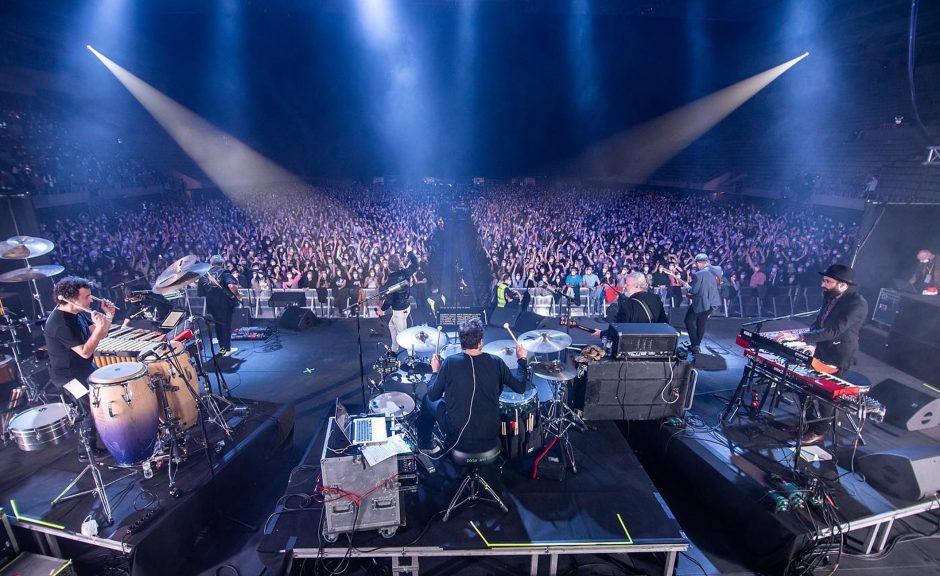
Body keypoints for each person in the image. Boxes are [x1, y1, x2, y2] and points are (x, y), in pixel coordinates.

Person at [781, 264, 868, 445]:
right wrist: (803, 338)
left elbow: (834, 331)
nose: (823, 284)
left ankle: (819, 430)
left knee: (824, 395)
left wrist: (802, 336)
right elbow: (820, 322)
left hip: (838, 354)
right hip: (822, 349)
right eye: (823, 280)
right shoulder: (831, 296)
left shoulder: (857, 304)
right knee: (805, 387)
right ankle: (807, 423)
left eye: (828, 281)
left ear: (843, 285)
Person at [417, 318, 528, 453]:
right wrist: (522, 360)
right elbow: (520, 387)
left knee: (428, 400)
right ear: (481, 342)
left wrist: (435, 371)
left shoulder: (450, 362)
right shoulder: (496, 362)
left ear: (461, 342)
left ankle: (426, 444)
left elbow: (434, 395)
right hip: (491, 433)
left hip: (457, 434)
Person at [45, 276, 117, 459]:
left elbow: (99, 332)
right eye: (86, 296)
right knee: (88, 409)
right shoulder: (60, 324)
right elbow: (85, 351)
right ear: (69, 298)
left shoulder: (76, 313)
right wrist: (100, 330)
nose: (91, 300)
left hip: (83, 368)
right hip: (67, 377)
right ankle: (86, 451)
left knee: (98, 403)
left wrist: (108, 316)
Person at [592, 272, 667, 336]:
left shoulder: (627, 305)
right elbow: (664, 323)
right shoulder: (656, 299)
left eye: (627, 285)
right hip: (654, 343)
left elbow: (619, 329)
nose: (625, 286)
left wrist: (602, 334)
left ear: (637, 286)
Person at [198, 255, 242, 356]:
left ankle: (222, 348)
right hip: (225, 305)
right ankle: (227, 349)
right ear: (222, 263)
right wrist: (238, 295)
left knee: (218, 325)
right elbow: (231, 285)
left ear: (211, 263)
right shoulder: (224, 272)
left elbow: (201, 293)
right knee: (226, 326)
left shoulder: (204, 274)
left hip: (212, 306)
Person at [380, 245, 418, 353]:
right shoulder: (405, 272)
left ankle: (412, 357)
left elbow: (389, 300)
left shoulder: (391, 281)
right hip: (406, 306)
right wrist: (410, 252)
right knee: (391, 325)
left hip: (399, 311)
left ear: (389, 267)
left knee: (404, 335)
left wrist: (381, 309)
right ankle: (394, 349)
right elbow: (416, 264)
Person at [684, 253, 723, 356]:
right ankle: (696, 345)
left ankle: (695, 344)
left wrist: (687, 286)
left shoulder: (699, 274)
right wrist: (707, 264)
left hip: (701, 303)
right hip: (712, 303)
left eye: (697, 263)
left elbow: (694, 291)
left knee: (688, 321)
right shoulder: (716, 270)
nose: (696, 265)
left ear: (700, 263)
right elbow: (717, 268)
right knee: (701, 323)